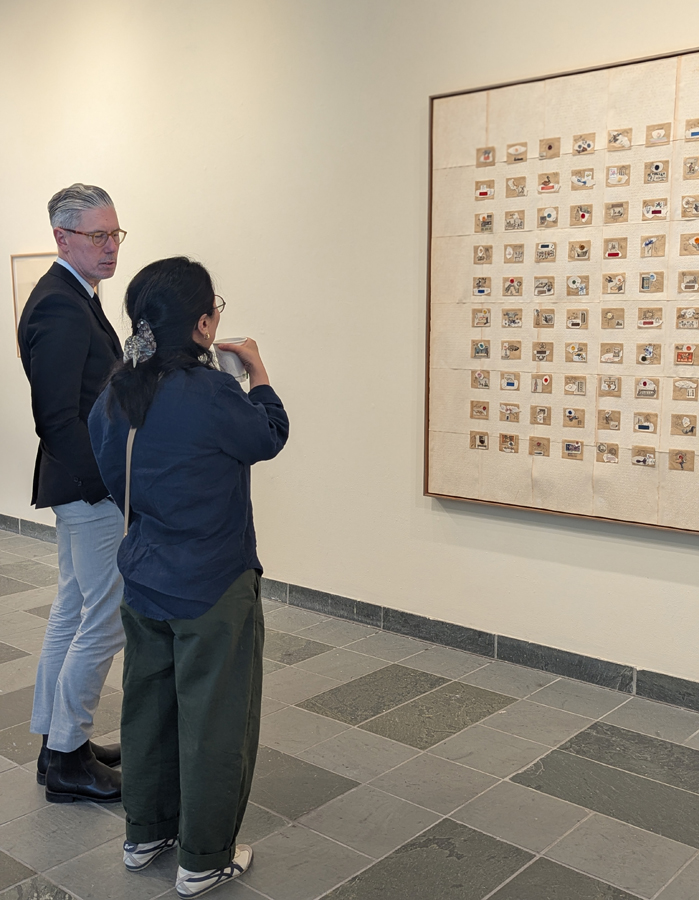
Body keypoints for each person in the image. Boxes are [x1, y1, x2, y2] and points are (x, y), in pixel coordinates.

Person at [88, 257, 289, 899]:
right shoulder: (212, 392)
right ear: (203, 324)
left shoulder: (118, 393)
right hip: (212, 584)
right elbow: (268, 436)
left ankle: (145, 834)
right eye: (214, 310)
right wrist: (257, 374)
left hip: (144, 575)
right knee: (215, 721)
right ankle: (203, 858)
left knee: (147, 709)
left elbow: (108, 469)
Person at [17, 183, 126, 803]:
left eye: (116, 234)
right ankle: (66, 758)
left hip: (78, 483)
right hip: (88, 487)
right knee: (105, 617)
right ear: (62, 238)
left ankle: (58, 742)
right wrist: (105, 487)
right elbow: (56, 417)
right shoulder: (61, 305)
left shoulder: (76, 294)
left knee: (72, 610)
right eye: (98, 236)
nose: (111, 247)